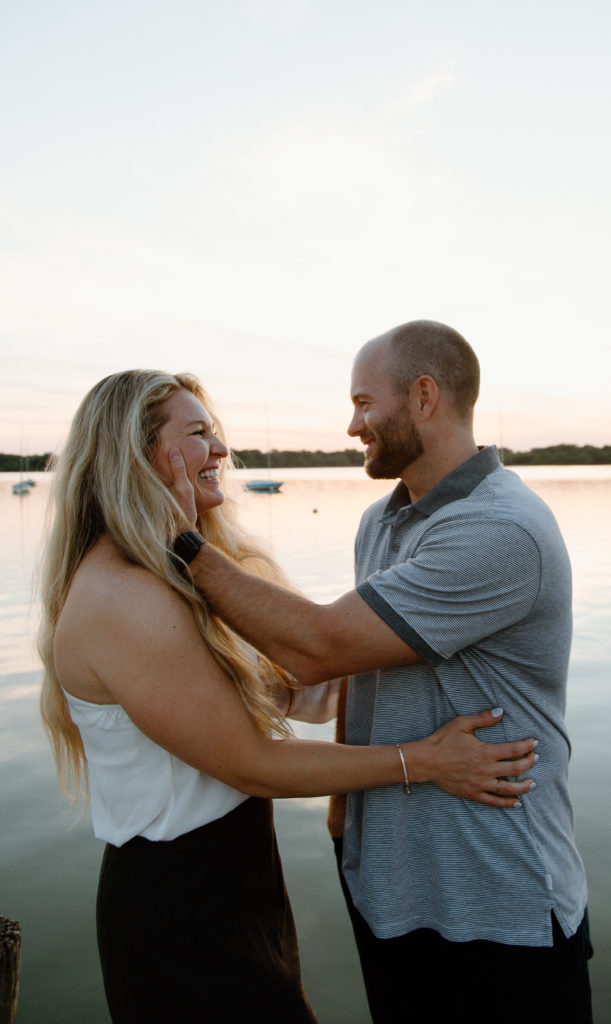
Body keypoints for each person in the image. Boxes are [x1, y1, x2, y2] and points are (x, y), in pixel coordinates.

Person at [37, 369, 537, 1024]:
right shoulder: (122, 597)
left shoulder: (187, 573)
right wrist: (424, 761)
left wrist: (420, 621)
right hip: (177, 910)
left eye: (215, 432)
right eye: (197, 435)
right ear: (137, 454)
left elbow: (314, 692)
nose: (220, 450)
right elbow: (253, 763)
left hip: (241, 882)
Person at [168, 321, 593, 1024]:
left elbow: (319, 645)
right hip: (387, 889)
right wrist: (341, 823)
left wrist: (178, 542)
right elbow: (351, 674)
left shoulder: (500, 528)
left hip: (496, 904)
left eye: (365, 404)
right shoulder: (382, 521)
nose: (352, 425)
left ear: (423, 396)